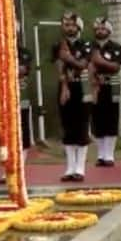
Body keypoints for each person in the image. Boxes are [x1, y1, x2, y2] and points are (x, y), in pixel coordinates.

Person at [53, 12, 92, 182]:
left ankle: (80, 168)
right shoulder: (58, 45)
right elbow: (58, 66)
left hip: (83, 86)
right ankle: (69, 167)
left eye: (72, 25)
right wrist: (64, 86)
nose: (69, 28)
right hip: (66, 86)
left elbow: (83, 65)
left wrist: (68, 57)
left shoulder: (86, 45)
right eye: (66, 25)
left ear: (79, 27)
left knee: (82, 125)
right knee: (67, 125)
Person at [89, 17, 121, 168]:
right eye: (97, 28)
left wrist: (99, 61)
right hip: (94, 85)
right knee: (97, 118)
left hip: (111, 85)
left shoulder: (116, 47)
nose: (100, 31)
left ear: (109, 31)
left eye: (103, 28)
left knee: (111, 117)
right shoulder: (89, 46)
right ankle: (101, 154)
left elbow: (116, 67)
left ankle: (109, 154)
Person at [0, 46, 33, 185]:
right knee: (6, 136)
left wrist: (6, 69)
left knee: (22, 134)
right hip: (4, 99)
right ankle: (8, 168)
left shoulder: (24, 52)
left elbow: (22, 70)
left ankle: (20, 167)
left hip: (21, 99)